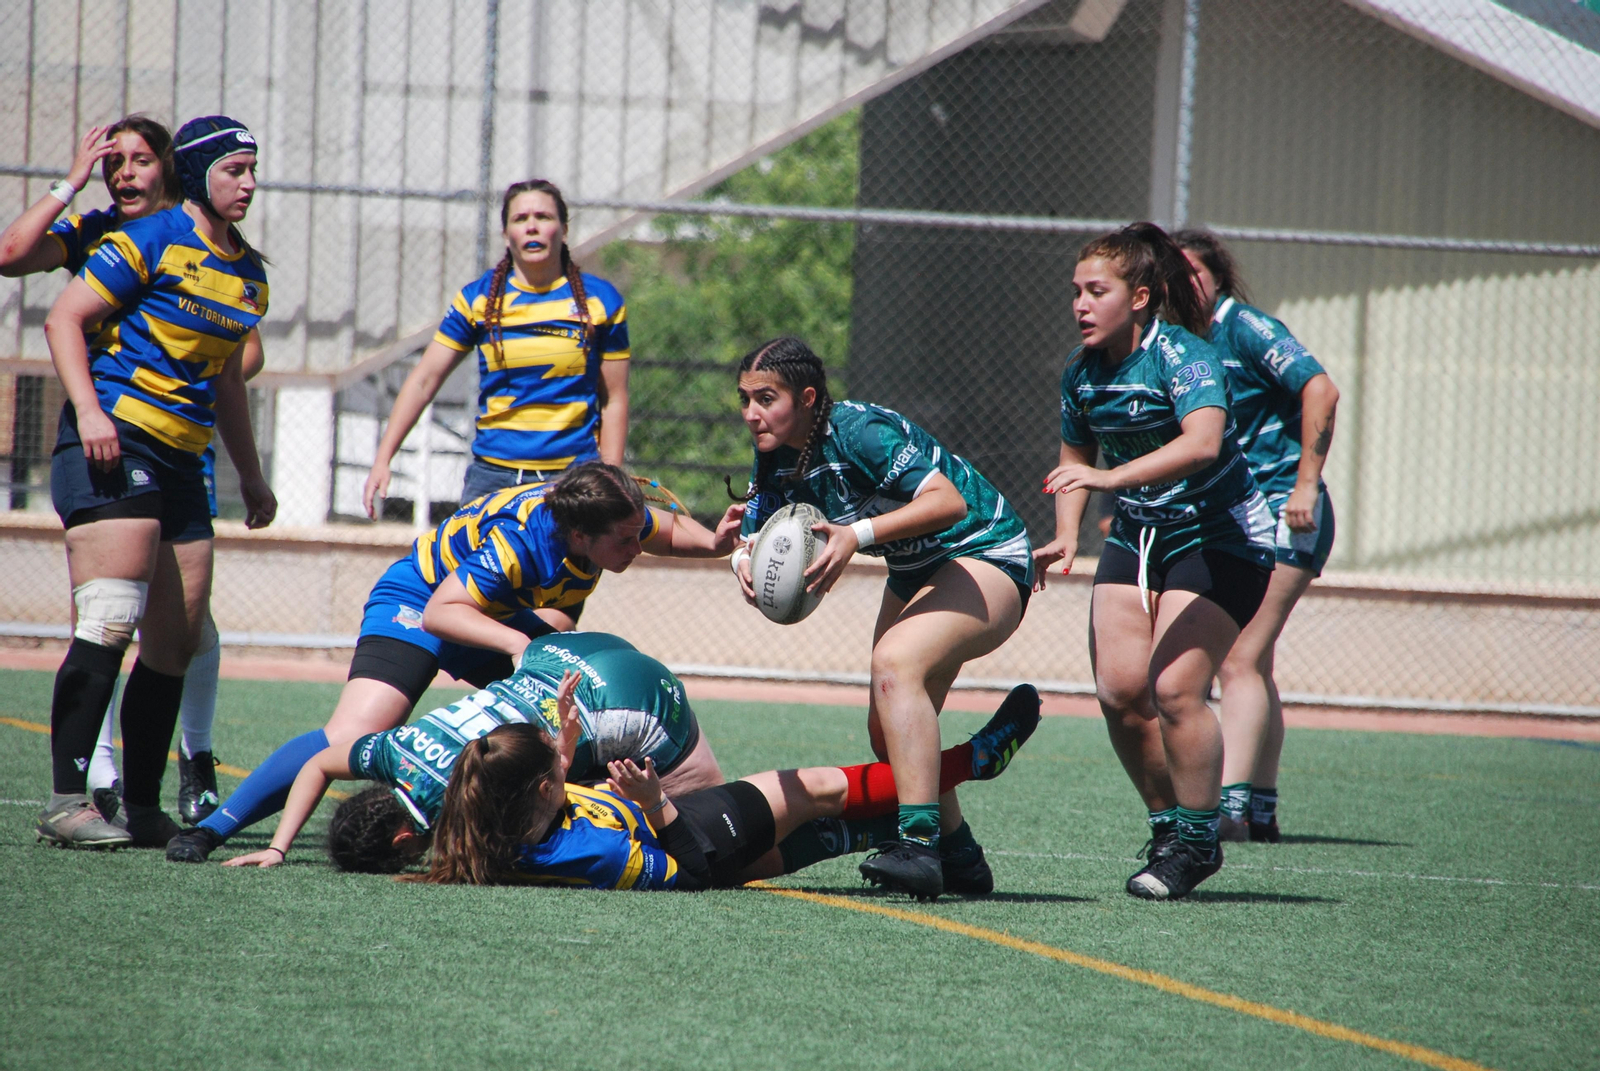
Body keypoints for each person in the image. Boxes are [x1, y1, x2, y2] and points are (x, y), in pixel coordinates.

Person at [166, 463, 742, 862]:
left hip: (486, 616)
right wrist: (518, 648)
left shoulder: (601, 515)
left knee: (565, 695)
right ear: (577, 533)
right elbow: (444, 611)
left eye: (636, 533)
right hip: (421, 603)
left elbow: (662, 529)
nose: (638, 548)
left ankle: (587, 824)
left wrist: (718, 543)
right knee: (356, 732)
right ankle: (214, 830)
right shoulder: (522, 542)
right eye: (625, 540)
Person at [0, 116, 267, 827]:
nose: (249, 183)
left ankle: (144, 804)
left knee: (176, 640)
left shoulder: (249, 272)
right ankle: (65, 800)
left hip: (184, 461)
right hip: (114, 447)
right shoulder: (142, 239)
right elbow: (63, 319)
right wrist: (89, 413)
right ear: (199, 172)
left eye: (252, 169)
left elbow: (231, 381)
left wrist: (253, 474)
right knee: (112, 616)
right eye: (235, 169)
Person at [729, 338, 1034, 900]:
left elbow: (947, 502)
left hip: (985, 551)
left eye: (766, 398)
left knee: (895, 664)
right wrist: (742, 559)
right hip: (916, 568)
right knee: (884, 731)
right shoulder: (774, 451)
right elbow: (758, 528)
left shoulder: (858, 432)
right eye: (745, 399)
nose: (752, 413)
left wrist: (856, 536)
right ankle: (962, 855)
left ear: (807, 397)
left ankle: (919, 848)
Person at [1034, 222, 1276, 901]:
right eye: (1075, 291)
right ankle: (1169, 826)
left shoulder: (1184, 356)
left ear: (1139, 297)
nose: (1081, 303)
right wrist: (1065, 534)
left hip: (1220, 534)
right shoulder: (1082, 374)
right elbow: (1075, 458)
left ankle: (1199, 844)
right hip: (1140, 535)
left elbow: (1203, 442)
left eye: (1097, 291)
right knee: (1119, 690)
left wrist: (1114, 482)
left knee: (1174, 689)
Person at [399, 683, 1041, 891]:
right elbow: (693, 874)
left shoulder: (490, 822)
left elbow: (556, 798)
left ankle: (960, 861)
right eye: (555, 763)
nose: (566, 761)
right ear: (540, 789)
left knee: (840, 832)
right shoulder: (582, 852)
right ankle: (972, 760)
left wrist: (563, 749)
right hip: (697, 834)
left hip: (689, 830)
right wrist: (658, 804)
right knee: (821, 788)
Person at [209, 632, 727, 869]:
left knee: (705, 826)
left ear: (405, 839)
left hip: (624, 700)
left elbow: (546, 792)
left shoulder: (454, 808)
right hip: (559, 651)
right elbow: (320, 762)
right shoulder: (395, 752)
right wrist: (278, 845)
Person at [1174, 229, 1340, 843]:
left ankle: (1235, 810)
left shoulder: (1242, 326)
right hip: (1238, 515)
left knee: (1238, 657)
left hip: (1283, 510)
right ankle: (1261, 808)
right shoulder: (1179, 341)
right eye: (1172, 272)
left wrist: (1305, 485)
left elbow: (1320, 387)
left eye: (1194, 270)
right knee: (1256, 661)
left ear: (1217, 274)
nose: (1184, 282)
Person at [362, 178, 631, 532]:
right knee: (476, 586)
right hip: (493, 479)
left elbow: (614, 400)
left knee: (557, 586)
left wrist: (609, 476)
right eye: (520, 219)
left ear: (563, 229)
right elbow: (424, 380)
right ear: (506, 234)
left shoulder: (601, 302)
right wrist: (384, 459)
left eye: (543, 217)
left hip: (571, 479)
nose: (532, 226)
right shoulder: (478, 300)